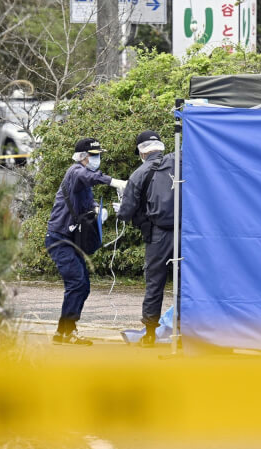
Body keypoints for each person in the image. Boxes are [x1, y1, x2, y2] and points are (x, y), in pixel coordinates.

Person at [45, 137, 124, 345]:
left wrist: (99, 210)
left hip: (68, 238)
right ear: (82, 157)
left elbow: (85, 203)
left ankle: (63, 332)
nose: (97, 159)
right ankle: (66, 332)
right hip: (59, 238)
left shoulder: (82, 180)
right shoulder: (76, 171)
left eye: (99, 155)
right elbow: (87, 176)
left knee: (82, 285)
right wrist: (114, 182)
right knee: (77, 283)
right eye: (94, 155)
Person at [114, 130, 175, 347]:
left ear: (141, 152)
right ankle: (189, 330)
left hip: (158, 236)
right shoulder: (181, 162)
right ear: (161, 146)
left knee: (155, 283)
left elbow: (125, 213)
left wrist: (119, 208)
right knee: (189, 282)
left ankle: (150, 334)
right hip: (187, 233)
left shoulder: (139, 174)